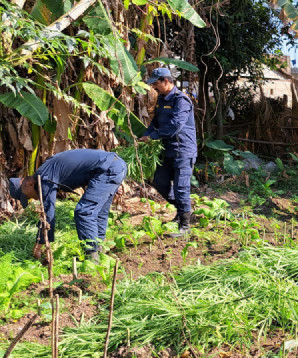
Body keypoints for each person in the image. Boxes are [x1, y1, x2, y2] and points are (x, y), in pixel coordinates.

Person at [8, 149, 127, 261]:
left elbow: (47, 215)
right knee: (98, 212)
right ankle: (98, 250)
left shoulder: (43, 178)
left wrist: (38, 246)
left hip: (107, 170)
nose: (32, 199)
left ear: (28, 184)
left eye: (27, 196)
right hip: (114, 165)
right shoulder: (46, 170)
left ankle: (92, 256)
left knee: (84, 211)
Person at [140, 67, 197, 237]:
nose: (154, 88)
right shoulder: (161, 99)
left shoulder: (182, 100)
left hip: (183, 150)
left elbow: (175, 126)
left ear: (166, 81)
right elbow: (155, 122)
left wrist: (154, 137)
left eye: (156, 84)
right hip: (166, 150)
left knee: (181, 188)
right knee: (160, 183)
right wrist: (146, 135)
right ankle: (182, 211)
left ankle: (185, 226)